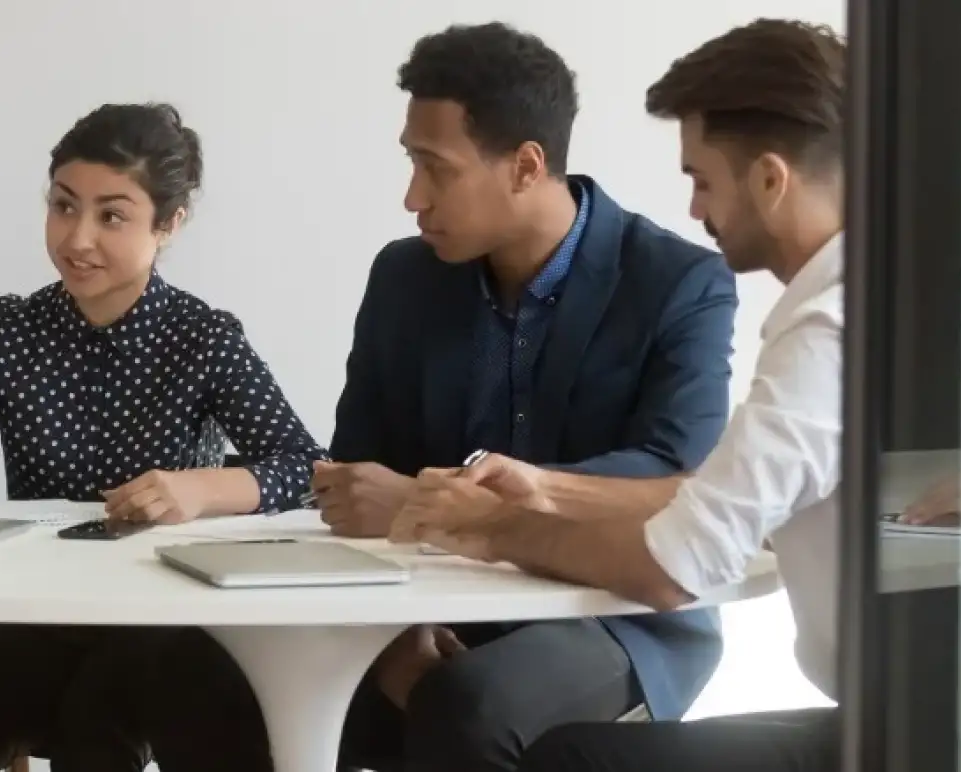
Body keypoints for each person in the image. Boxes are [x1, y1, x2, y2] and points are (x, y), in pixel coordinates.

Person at [386, 20, 961, 772]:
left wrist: (496, 529)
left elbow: (678, 567)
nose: (696, 210)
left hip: (943, 742)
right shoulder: (893, 301)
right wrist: (544, 489)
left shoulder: (834, 331)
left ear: (770, 180)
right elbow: (735, 497)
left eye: (702, 179)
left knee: (572, 757)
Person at [140, 23, 739, 772]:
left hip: (614, 607)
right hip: (422, 596)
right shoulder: (405, 277)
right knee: (188, 681)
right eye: (410, 161)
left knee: (468, 707)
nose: (411, 196)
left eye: (435, 167)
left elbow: (667, 475)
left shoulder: (678, 282)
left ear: (526, 166)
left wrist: (451, 508)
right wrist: (388, 634)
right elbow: (353, 480)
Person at [0, 102, 327, 772]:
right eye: (63, 205)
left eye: (111, 215)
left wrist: (203, 489)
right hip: (36, 612)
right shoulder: (5, 333)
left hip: (165, 616)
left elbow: (310, 470)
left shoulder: (204, 338)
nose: (77, 238)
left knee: (101, 721)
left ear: (168, 225)